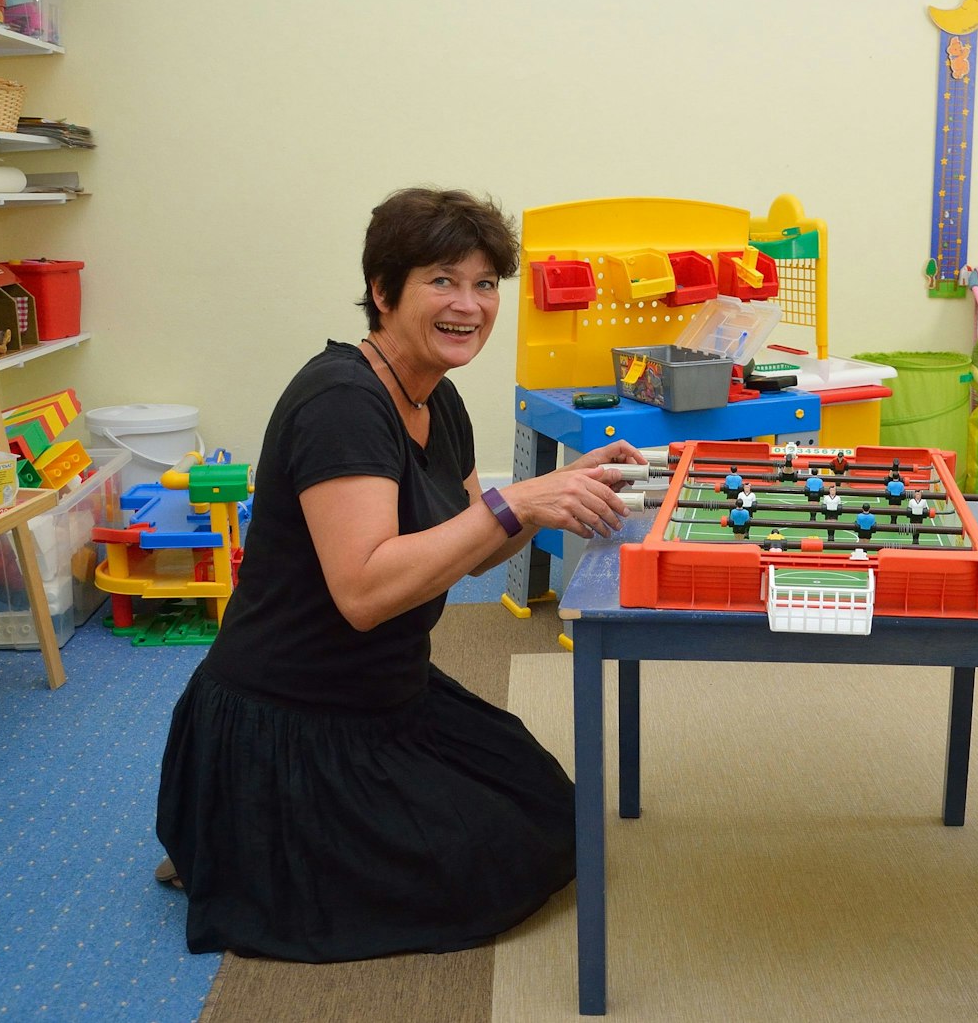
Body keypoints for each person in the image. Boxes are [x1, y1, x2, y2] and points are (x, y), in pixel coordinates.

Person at [155, 187, 644, 963]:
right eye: (442, 280)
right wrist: (516, 499)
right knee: (484, 864)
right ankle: (235, 835)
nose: (469, 305)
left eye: (484, 284)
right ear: (383, 292)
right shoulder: (341, 403)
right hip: (294, 717)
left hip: (391, 692)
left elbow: (469, 545)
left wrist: (553, 495)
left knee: (549, 809)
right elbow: (366, 592)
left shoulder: (436, 399)